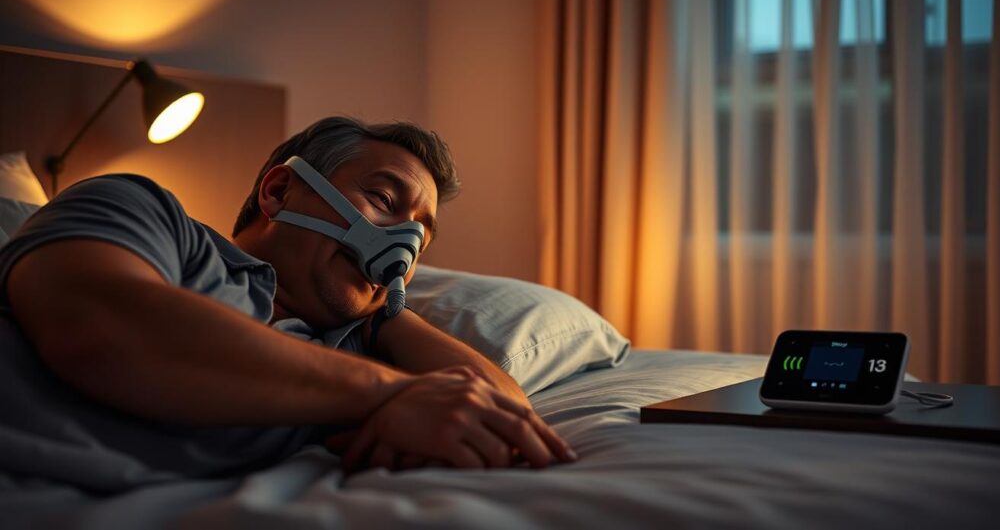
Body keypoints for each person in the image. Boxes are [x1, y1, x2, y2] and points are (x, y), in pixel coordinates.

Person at [0, 117, 574, 491]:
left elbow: (501, 415)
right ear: (279, 191)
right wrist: (391, 392)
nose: (402, 245)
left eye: (419, 237)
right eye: (381, 199)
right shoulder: (150, 217)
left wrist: (388, 316)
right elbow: (98, 325)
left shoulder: (353, 345)